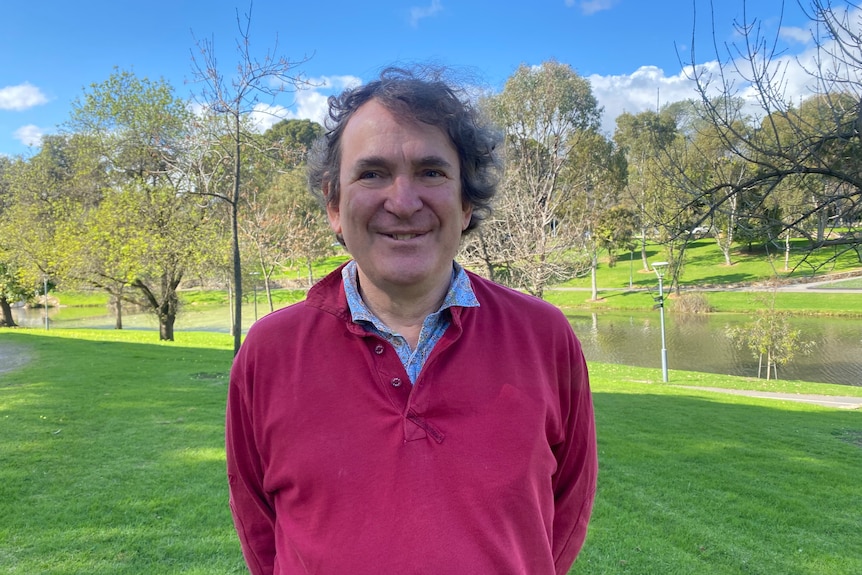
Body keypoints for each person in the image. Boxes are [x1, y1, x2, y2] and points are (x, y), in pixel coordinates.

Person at [226, 66, 598, 575]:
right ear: (335, 205)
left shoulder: (545, 338)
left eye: (431, 172)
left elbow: (566, 513)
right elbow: (259, 528)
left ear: (467, 202)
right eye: (372, 173)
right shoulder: (269, 352)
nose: (402, 203)